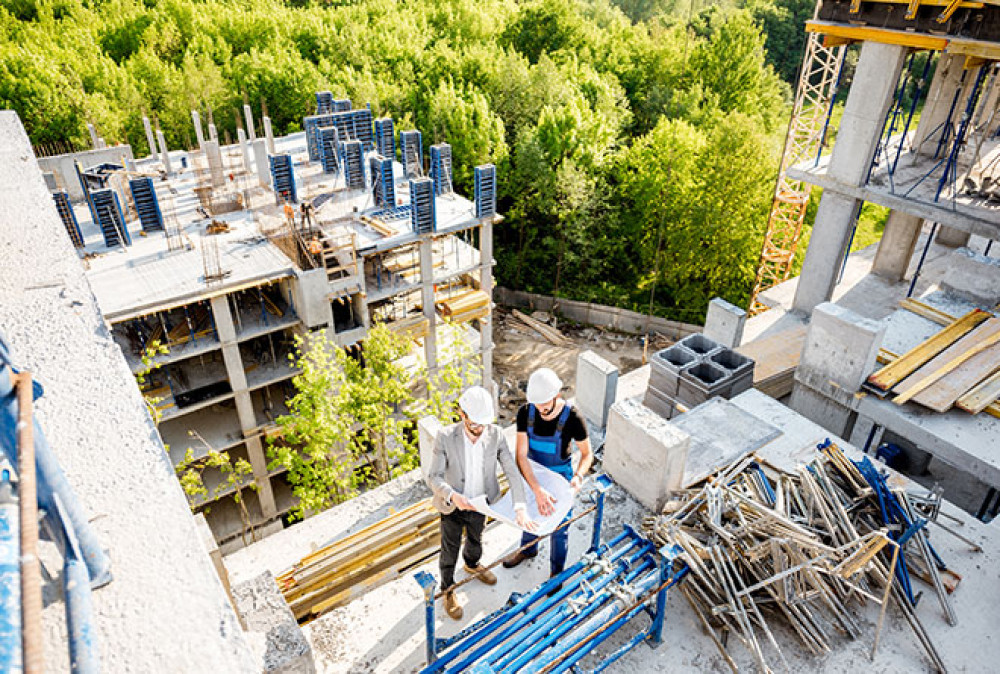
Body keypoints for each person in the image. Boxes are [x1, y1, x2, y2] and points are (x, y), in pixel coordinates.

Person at [428, 386, 535, 620]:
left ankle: (472, 564)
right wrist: (453, 495)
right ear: (462, 414)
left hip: (481, 503)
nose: (479, 430)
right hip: (453, 505)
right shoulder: (445, 437)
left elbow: (511, 470)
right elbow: (433, 477)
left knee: (476, 538)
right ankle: (448, 588)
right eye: (475, 424)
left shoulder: (495, 434)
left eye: (484, 424)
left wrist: (520, 505)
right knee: (450, 549)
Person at [503, 368, 593, 584]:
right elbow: (521, 456)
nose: (540, 409)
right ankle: (528, 550)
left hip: (561, 478)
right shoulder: (526, 413)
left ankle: (556, 572)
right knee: (532, 516)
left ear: (557, 395)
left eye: (544, 404)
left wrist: (579, 476)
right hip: (534, 474)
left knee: (559, 528)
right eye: (536, 404)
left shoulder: (573, 417)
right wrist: (536, 489)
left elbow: (587, 454)